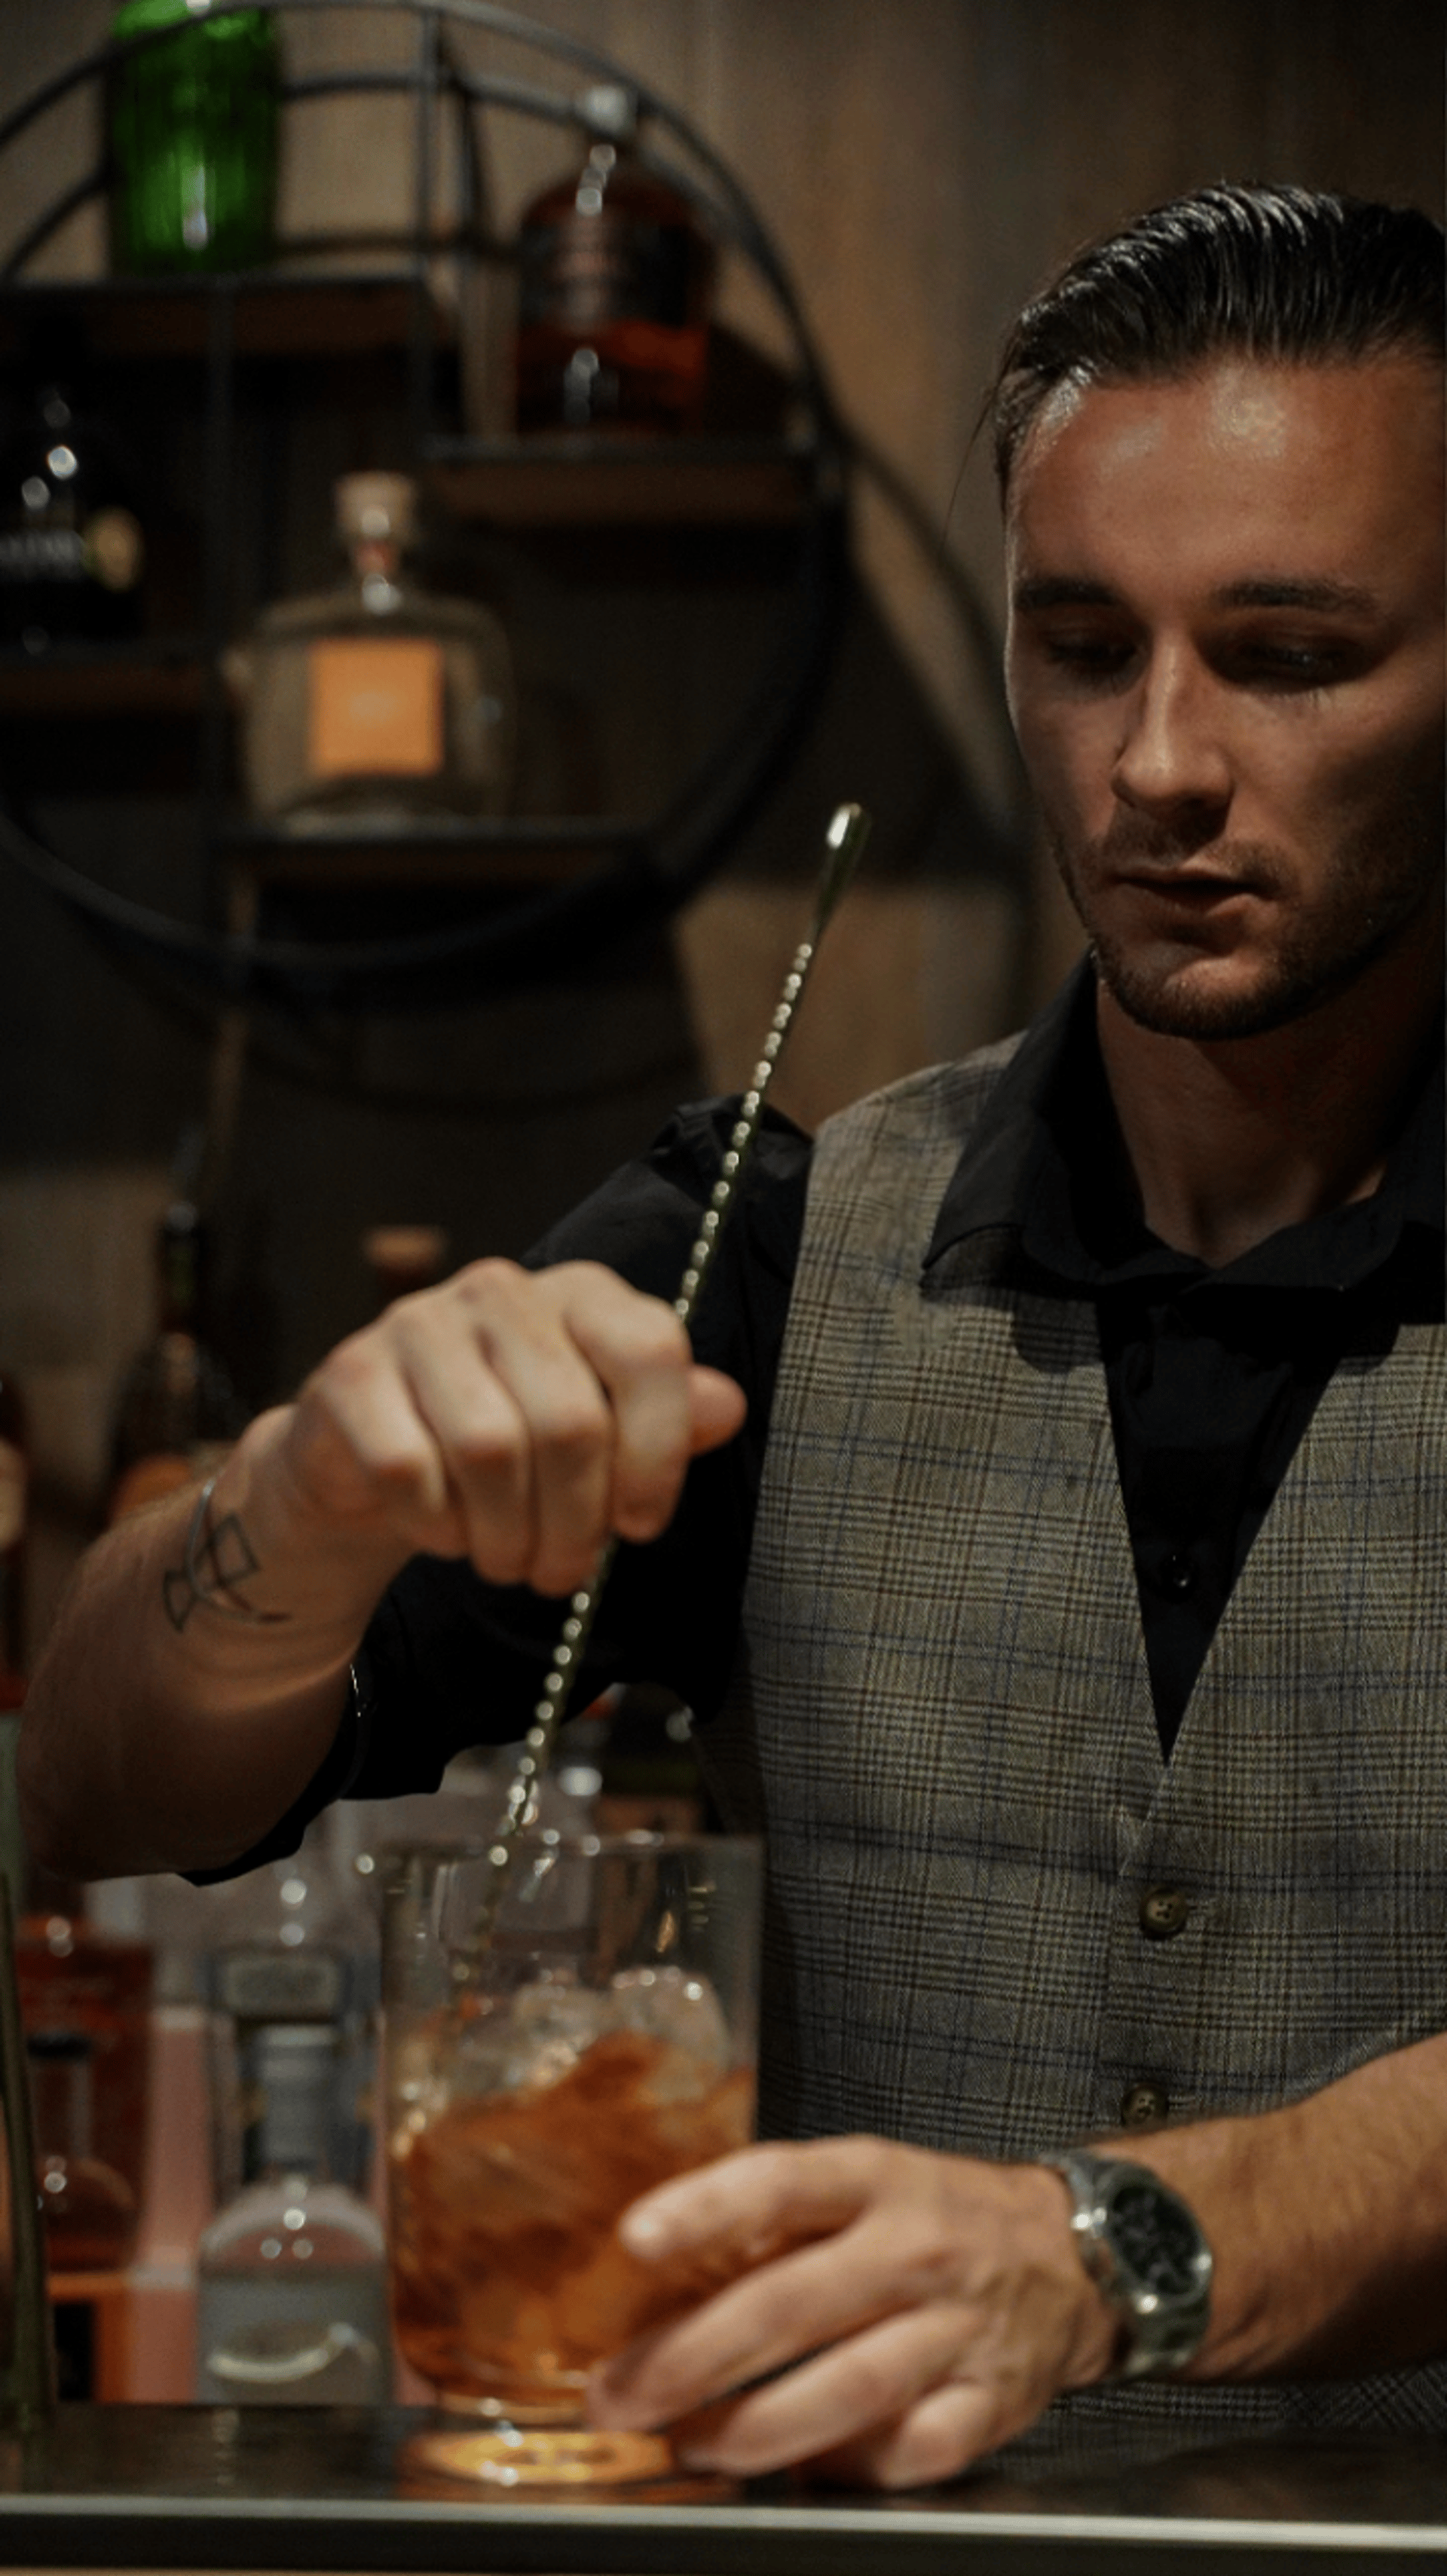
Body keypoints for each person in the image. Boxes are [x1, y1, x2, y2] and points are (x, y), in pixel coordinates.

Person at [19, 184, 1445, 2484]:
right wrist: (289, 1508)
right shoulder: (764, 1252)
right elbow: (91, 1784)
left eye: (1289, 655)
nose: (1157, 762)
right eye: (1082, 643)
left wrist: (1125, 2250)